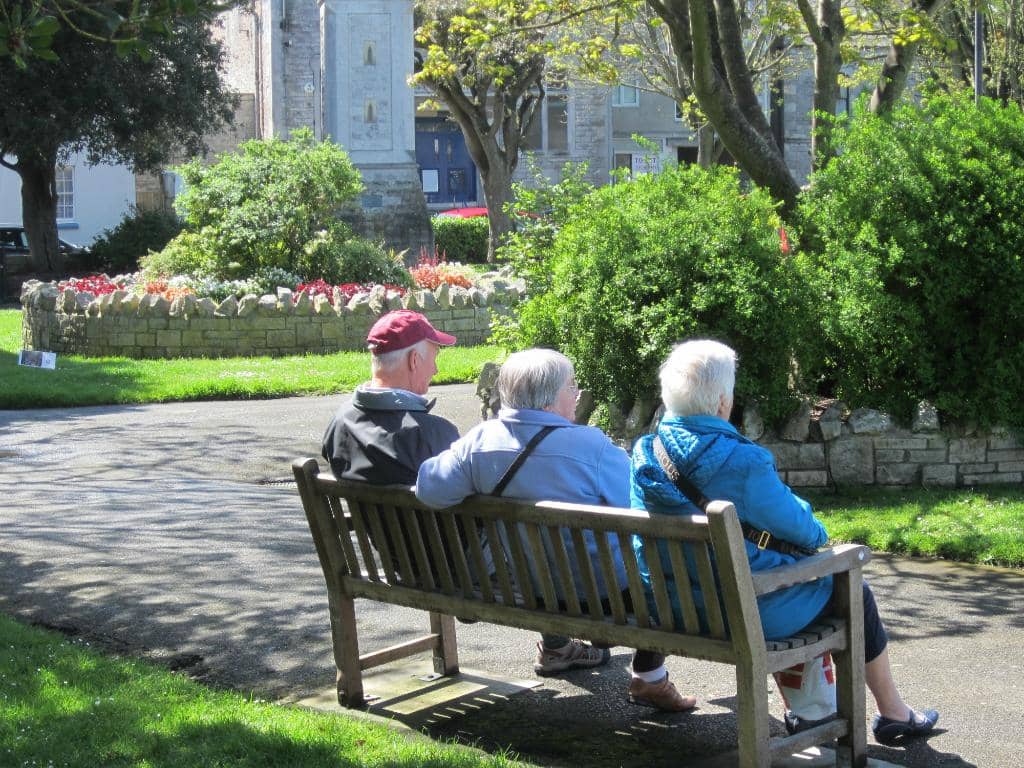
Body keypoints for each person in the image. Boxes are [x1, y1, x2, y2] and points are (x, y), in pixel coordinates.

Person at [630, 339, 940, 745]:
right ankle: (894, 714)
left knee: (792, 581)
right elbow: (810, 533)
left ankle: (811, 711)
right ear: (724, 400)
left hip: (670, 609)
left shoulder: (643, 452)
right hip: (741, 616)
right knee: (849, 587)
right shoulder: (743, 461)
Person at [416, 348, 696, 711]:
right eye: (572, 385)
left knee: (546, 557)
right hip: (602, 594)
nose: (577, 393)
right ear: (548, 399)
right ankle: (649, 678)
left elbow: (428, 488)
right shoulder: (590, 446)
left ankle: (556, 647)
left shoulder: (480, 442)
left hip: (530, 587)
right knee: (667, 575)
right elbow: (642, 505)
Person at [322, 309, 460, 485]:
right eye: (434, 359)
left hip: (359, 513)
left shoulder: (339, 423)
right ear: (414, 360)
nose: (435, 370)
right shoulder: (434, 435)